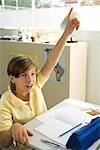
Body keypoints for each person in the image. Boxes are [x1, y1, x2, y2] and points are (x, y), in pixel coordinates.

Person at [0, 8, 80, 150]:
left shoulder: (35, 85)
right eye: (24, 75)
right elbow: (3, 142)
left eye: (32, 74)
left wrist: (67, 32)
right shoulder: (5, 101)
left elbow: (51, 60)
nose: (30, 80)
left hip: (49, 141)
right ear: (12, 78)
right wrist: (13, 129)